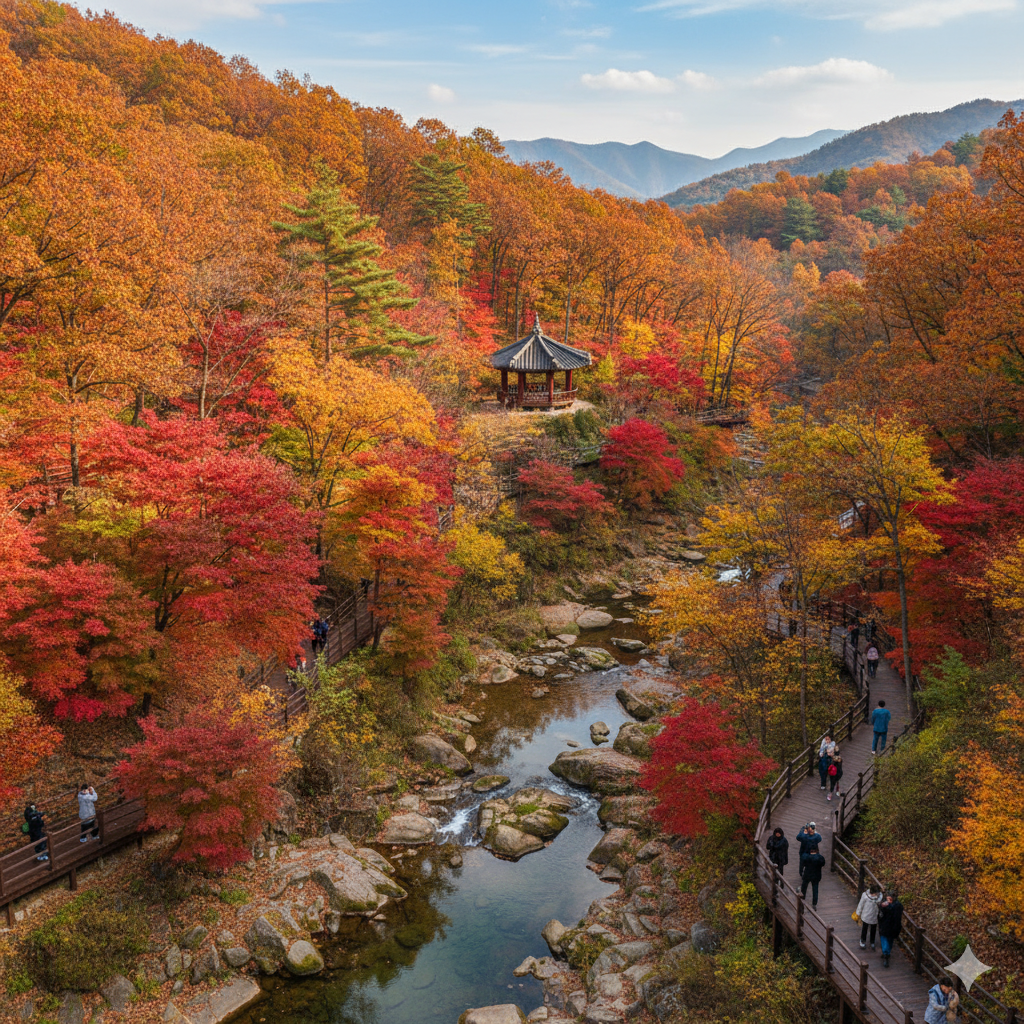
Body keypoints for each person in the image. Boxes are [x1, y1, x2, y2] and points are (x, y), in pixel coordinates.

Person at [878, 890, 904, 967]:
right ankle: (886, 954)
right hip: (884, 925)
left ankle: (887, 953)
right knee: (884, 939)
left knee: (890, 941)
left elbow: (896, 914)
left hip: (893, 926)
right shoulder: (884, 904)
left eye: (890, 899)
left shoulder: (897, 906)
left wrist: (888, 906)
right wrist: (882, 906)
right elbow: (881, 913)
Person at [856, 883, 883, 949]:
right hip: (866, 915)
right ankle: (863, 941)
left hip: (874, 916)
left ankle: (872, 941)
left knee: (873, 929)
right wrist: (858, 913)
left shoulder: (879, 897)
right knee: (864, 929)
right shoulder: (865, 896)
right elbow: (861, 904)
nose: (875, 895)